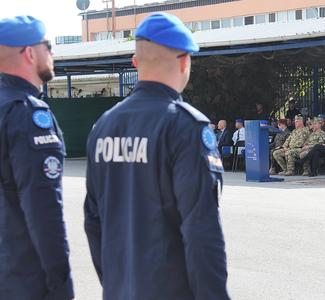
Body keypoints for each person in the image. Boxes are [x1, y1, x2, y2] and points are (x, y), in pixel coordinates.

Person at [84, 13, 230, 300]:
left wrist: (116, 284)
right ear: (185, 60)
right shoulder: (184, 126)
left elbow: (93, 221)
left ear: (136, 62)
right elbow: (200, 230)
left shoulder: (104, 125)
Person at [0, 16, 74, 299]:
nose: (52, 53)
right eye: (48, 45)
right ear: (30, 53)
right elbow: (43, 210)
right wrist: (61, 286)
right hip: (24, 281)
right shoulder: (28, 115)